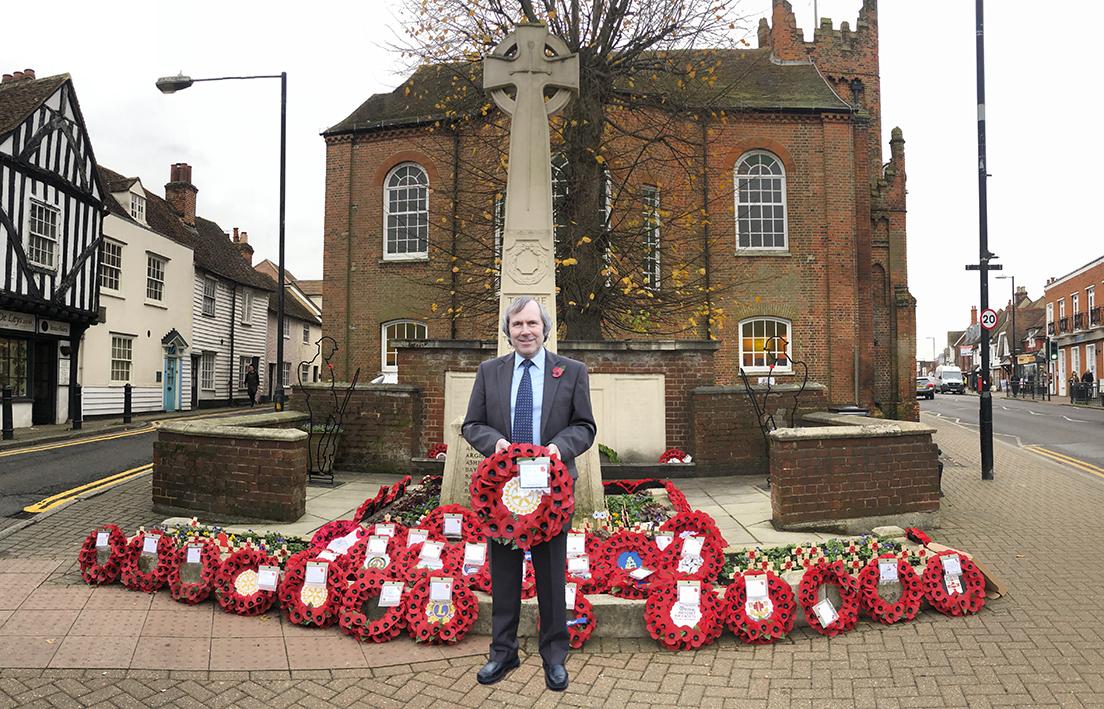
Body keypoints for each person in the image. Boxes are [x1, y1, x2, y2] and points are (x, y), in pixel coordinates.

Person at [462, 296, 596, 692]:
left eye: (532, 324)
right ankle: (502, 653)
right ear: (508, 331)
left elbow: (585, 426)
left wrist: (558, 449)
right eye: (517, 324)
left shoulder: (571, 372)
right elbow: (472, 424)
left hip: (552, 493)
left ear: (545, 328)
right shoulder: (490, 372)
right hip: (503, 494)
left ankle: (554, 656)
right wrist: (499, 445)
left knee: (552, 578)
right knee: (503, 576)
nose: (525, 331)